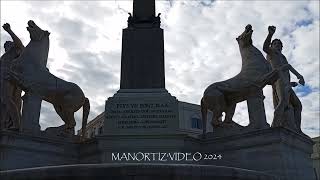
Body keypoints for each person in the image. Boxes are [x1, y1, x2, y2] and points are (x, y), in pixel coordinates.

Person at [263, 25, 304, 133]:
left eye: (279, 44)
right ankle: (274, 126)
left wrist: (290, 83)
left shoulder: (283, 57)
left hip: (286, 83)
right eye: (275, 44)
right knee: (283, 103)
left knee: (298, 105)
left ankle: (298, 129)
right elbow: (265, 47)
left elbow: (286, 70)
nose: (278, 45)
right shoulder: (271, 53)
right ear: (272, 45)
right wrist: (270, 34)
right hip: (278, 80)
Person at [0, 23, 24, 130]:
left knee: (7, 99)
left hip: (9, 77)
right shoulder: (4, 56)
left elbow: (19, 44)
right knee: (4, 103)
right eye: (5, 46)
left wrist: (9, 31)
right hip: (4, 79)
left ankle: (16, 124)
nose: (6, 47)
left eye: (8, 44)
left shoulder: (14, 51)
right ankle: (8, 123)